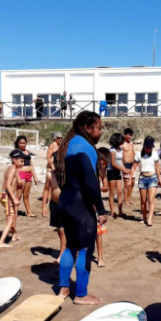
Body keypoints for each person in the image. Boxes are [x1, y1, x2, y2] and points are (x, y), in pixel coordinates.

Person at [54, 111, 108, 305]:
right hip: (80, 204)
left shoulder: (67, 145)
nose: (101, 131)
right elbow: (90, 182)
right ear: (88, 127)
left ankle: (63, 288)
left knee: (71, 246)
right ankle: (82, 294)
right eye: (99, 127)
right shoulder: (86, 148)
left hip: (65, 201)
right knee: (85, 248)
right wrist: (101, 210)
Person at [134, 136, 161, 226]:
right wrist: (130, 177)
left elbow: (157, 167)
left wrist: (159, 179)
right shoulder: (138, 154)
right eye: (147, 147)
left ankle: (150, 219)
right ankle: (144, 218)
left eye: (150, 147)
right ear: (144, 146)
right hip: (142, 178)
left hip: (152, 178)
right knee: (143, 201)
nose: (148, 149)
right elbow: (134, 166)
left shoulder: (154, 154)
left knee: (151, 200)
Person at [10, 135, 38, 217]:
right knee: (18, 195)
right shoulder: (16, 152)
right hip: (21, 174)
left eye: (24, 143)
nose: (22, 144)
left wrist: (35, 176)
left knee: (26, 195)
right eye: (21, 143)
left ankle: (29, 212)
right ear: (18, 143)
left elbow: (31, 165)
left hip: (29, 175)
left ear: (26, 143)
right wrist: (18, 178)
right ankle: (14, 212)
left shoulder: (28, 152)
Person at [0, 153, 22, 247]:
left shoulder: (11, 168)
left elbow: (15, 178)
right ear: (14, 160)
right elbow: (8, 185)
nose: (22, 164)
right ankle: (1, 242)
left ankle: (14, 235)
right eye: (21, 161)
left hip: (6, 196)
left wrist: (19, 179)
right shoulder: (12, 169)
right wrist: (14, 198)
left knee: (13, 215)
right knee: (10, 219)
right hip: (7, 196)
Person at [42, 132, 63, 217]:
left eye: (61, 137)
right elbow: (49, 158)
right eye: (59, 138)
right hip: (51, 166)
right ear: (55, 138)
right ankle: (49, 201)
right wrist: (52, 167)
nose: (60, 139)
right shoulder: (52, 145)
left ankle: (52, 199)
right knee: (49, 185)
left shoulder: (60, 145)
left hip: (57, 166)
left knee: (54, 187)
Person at [96, 148, 110, 267]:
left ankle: (100, 258)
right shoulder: (89, 169)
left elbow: (106, 188)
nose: (103, 166)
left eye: (105, 165)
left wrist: (96, 187)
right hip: (85, 204)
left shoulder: (103, 172)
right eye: (102, 163)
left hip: (97, 204)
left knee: (98, 233)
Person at [107, 132, 125, 217]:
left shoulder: (120, 150)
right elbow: (113, 163)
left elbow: (121, 162)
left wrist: (123, 169)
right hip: (111, 171)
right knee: (112, 193)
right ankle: (112, 212)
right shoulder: (112, 150)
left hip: (118, 172)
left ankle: (120, 211)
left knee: (119, 191)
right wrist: (123, 169)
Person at [121, 128, 136, 206]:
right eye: (129, 135)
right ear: (125, 135)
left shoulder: (132, 143)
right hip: (125, 164)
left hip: (132, 164)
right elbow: (120, 157)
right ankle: (125, 199)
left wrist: (136, 163)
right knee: (126, 183)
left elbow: (133, 153)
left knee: (132, 182)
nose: (130, 137)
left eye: (131, 135)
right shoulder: (122, 144)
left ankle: (129, 198)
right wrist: (122, 167)